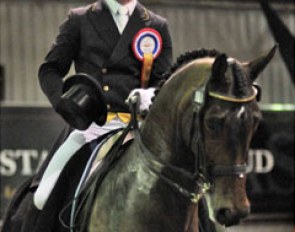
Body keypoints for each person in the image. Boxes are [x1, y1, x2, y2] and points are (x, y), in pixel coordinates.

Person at [33, 0, 173, 210]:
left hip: (140, 127)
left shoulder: (156, 25)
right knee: (43, 197)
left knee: (190, 194)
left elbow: (164, 80)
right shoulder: (80, 19)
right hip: (92, 125)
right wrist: (63, 102)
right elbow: (50, 70)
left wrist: (152, 94)